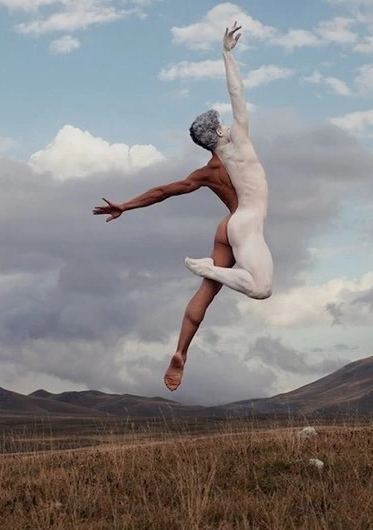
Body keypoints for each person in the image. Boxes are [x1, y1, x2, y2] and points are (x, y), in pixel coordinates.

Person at [93, 153, 238, 391]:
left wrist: (125, 206)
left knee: (207, 291)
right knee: (261, 282)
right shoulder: (243, 157)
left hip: (228, 225)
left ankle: (181, 351)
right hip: (248, 223)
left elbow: (163, 192)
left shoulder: (207, 173)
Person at [182, 22, 274, 302]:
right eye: (223, 123)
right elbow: (237, 92)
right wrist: (227, 53)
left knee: (262, 286)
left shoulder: (222, 155)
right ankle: (209, 269)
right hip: (246, 222)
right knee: (261, 288)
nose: (227, 124)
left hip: (245, 221)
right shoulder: (240, 143)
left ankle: (210, 269)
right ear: (220, 133)